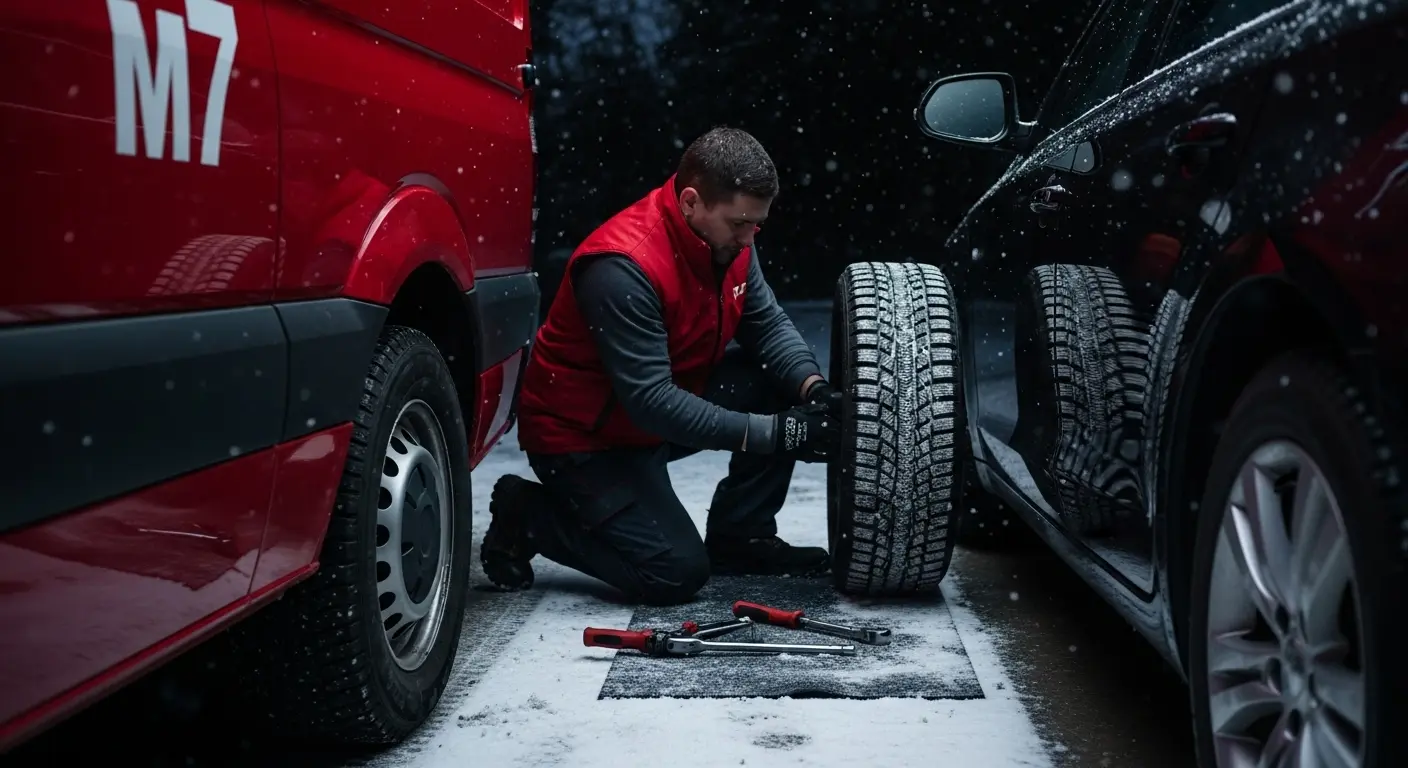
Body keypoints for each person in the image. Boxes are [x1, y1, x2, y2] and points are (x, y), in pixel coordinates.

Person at [482, 126, 844, 606]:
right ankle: (527, 513)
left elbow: (765, 323)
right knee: (673, 572)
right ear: (691, 202)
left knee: (778, 382)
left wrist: (814, 389)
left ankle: (742, 538)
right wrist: (777, 434)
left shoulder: (730, 241)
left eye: (757, 224)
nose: (749, 237)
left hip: (656, 410)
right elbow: (651, 402)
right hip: (587, 441)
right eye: (740, 223)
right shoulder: (622, 268)